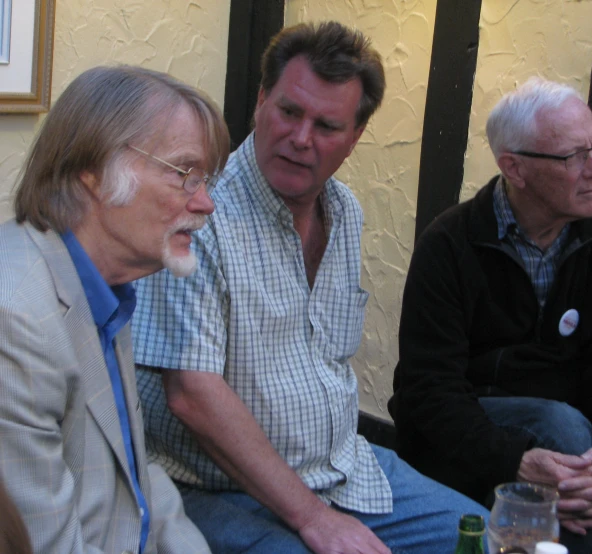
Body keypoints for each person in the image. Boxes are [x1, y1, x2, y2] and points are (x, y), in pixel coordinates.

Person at [132, 20, 488, 554]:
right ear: (260, 102)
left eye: (326, 125)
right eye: (289, 111)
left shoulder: (345, 212)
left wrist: (325, 507)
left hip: (343, 469)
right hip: (215, 486)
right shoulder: (201, 217)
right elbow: (192, 396)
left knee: (491, 536)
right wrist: (314, 518)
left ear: (355, 137)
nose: (301, 139)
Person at [389, 77, 592, 554]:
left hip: (566, 450)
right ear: (515, 168)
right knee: (561, 425)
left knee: (567, 434)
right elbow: (428, 390)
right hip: (461, 440)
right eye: (575, 156)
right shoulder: (449, 244)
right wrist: (516, 459)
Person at [0, 65, 231, 553]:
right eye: (185, 174)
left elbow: (135, 470)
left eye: (205, 178)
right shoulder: (16, 318)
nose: (207, 202)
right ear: (94, 173)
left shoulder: (107, 281)